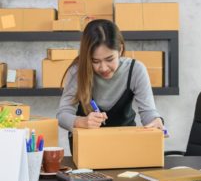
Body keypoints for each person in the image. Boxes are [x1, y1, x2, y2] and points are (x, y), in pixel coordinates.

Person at [57, 19, 164, 152]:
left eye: (109, 59)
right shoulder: (77, 71)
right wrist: (81, 122)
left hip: (126, 145)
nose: (103, 68)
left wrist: (156, 121)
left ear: (120, 49)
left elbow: (148, 112)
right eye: (95, 61)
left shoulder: (135, 69)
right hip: (87, 147)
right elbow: (62, 115)